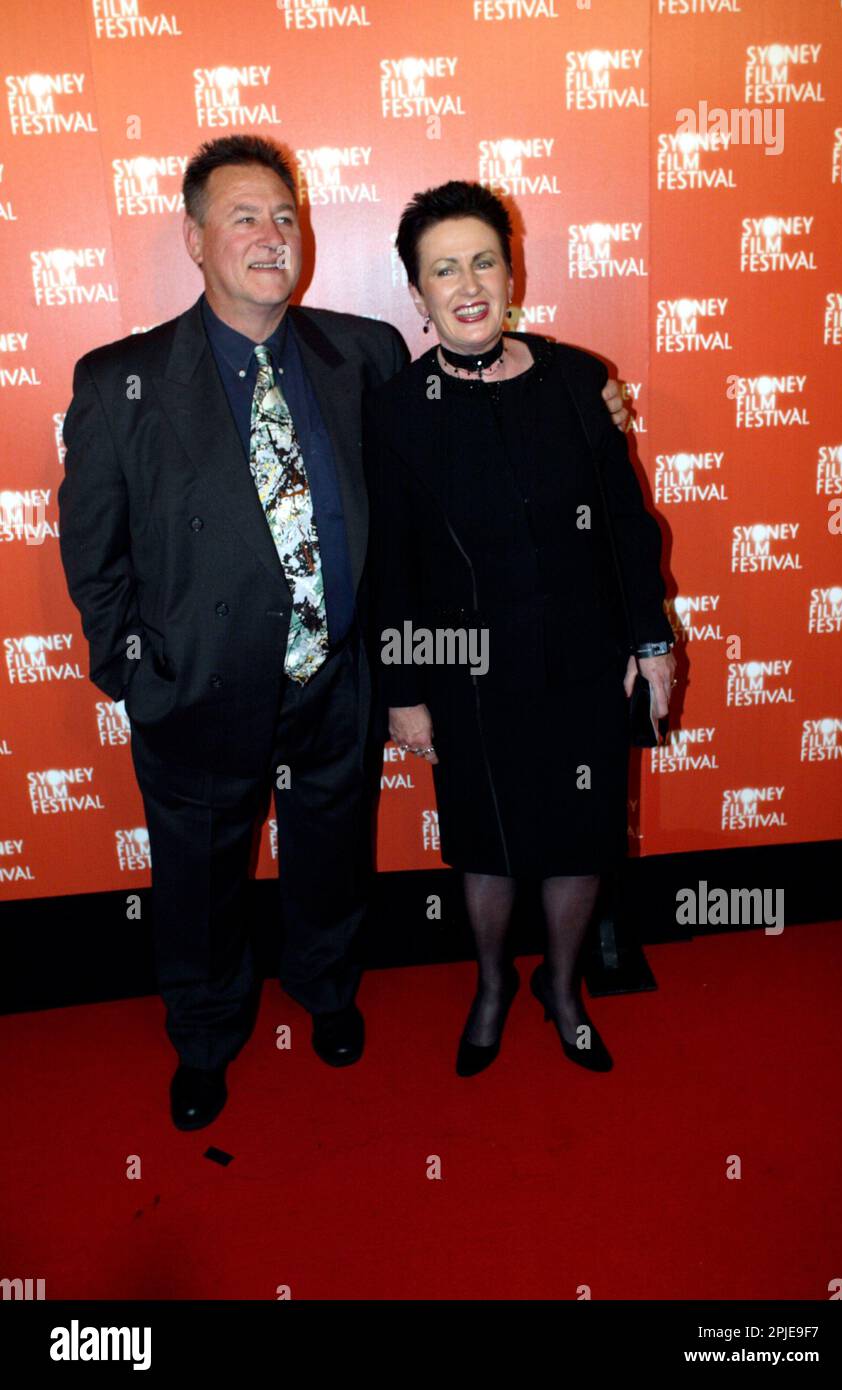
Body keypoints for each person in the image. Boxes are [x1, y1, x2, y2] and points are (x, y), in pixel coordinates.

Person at [58, 139, 630, 1131]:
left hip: (337, 688)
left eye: (284, 214)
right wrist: (137, 675)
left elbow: (460, 426)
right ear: (194, 238)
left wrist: (593, 399)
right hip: (195, 695)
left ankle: (326, 995)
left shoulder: (360, 353)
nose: (269, 234)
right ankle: (203, 1038)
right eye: (242, 216)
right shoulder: (122, 383)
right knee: (197, 885)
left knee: (330, 857)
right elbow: (94, 557)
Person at [364, 180, 676, 1078]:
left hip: (585, 660)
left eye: (483, 260)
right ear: (417, 295)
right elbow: (391, 567)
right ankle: (494, 986)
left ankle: (566, 990)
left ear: (513, 269)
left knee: (581, 838)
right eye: (442, 269)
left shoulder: (579, 381)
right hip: (464, 669)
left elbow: (625, 525)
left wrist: (650, 642)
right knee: (486, 841)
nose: (467, 283)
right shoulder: (394, 413)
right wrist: (406, 691)